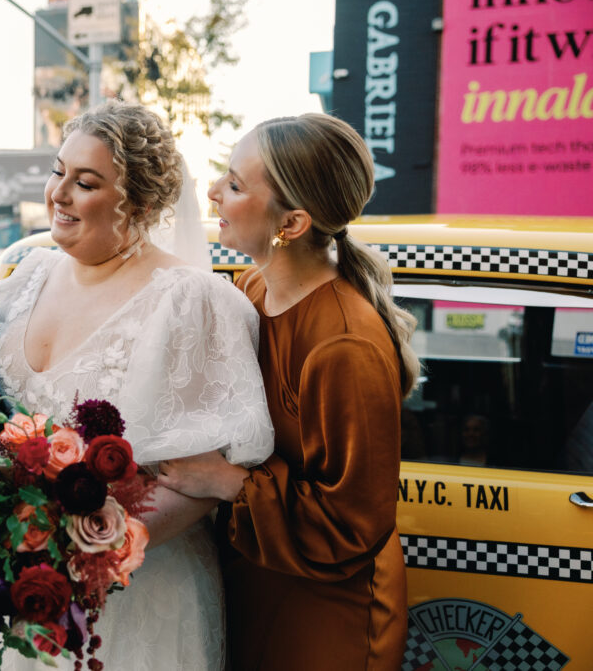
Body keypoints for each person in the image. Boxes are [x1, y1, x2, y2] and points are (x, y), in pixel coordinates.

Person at [0, 100, 275, 670]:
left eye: (84, 182)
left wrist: (80, 554)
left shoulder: (192, 302)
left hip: (134, 602)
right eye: (58, 171)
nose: (58, 193)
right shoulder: (22, 279)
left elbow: (203, 480)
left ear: (141, 203)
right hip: (12, 592)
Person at [157, 113, 420, 670]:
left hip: (327, 613)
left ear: (291, 223)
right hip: (258, 577)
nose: (212, 192)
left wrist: (225, 480)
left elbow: (351, 526)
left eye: (234, 184)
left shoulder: (343, 346)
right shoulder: (251, 288)